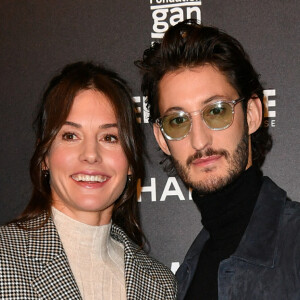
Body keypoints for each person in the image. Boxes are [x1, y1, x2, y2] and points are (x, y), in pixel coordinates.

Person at [136, 19, 300, 299]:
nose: (200, 140)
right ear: (162, 139)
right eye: (177, 120)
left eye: (216, 112)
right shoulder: (184, 276)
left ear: (251, 115)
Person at [0, 62, 177, 299]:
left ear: (130, 162)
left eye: (109, 137)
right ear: (44, 157)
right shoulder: (5, 258)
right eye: (70, 135)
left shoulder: (161, 285)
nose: (91, 154)